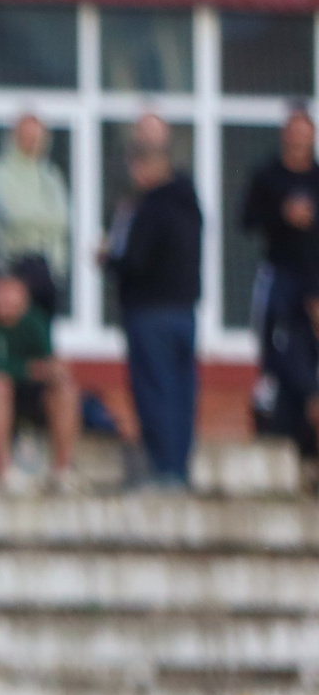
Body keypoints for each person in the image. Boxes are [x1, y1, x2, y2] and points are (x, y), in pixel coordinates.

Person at [101, 116, 204, 492]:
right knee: (181, 395)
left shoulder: (150, 209)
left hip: (149, 315)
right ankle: (178, 470)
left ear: (147, 166)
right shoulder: (190, 204)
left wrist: (109, 259)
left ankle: (163, 471)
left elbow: (136, 262)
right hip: (184, 314)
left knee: (155, 393)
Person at [240, 103, 319, 456]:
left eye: (305, 133)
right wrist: (282, 215)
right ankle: (271, 416)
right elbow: (246, 220)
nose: (299, 139)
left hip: (314, 280)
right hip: (278, 275)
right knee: (275, 349)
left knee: (307, 354)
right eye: (293, 132)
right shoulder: (268, 175)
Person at [0, 268, 80, 488]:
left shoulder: (35, 321)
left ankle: (63, 469)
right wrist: (26, 369)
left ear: (24, 300)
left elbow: (48, 361)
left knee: (65, 385)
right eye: (2, 296)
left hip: (30, 395)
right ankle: (3, 469)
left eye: (13, 298)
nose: (7, 302)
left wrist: (54, 370)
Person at [0, 112, 72, 316]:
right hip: (14, 268)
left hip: (50, 270)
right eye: (27, 138)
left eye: (37, 138)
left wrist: (35, 219)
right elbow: (14, 217)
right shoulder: (0, 172)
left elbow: (63, 219)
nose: (33, 144)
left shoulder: (51, 175)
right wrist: (45, 220)